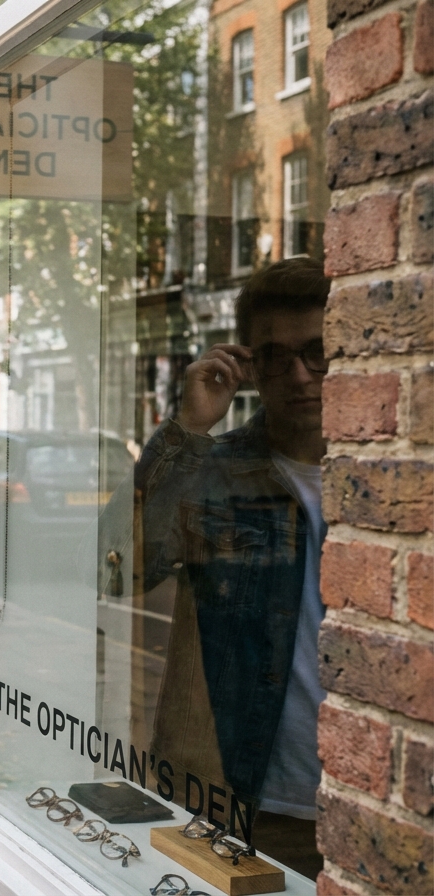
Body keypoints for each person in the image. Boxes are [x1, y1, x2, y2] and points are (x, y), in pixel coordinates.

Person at [98, 257, 330, 879]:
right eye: (277, 358)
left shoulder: (398, 475)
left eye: (319, 353)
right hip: (243, 807)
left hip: (367, 802)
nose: (301, 375)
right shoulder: (216, 472)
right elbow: (117, 568)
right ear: (251, 364)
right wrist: (188, 427)